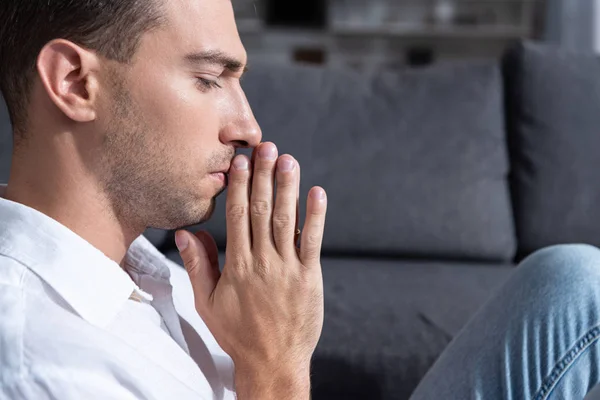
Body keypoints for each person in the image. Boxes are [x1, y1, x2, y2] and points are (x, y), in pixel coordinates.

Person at [0, 1, 599, 400]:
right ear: (77, 83)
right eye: (209, 79)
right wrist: (277, 369)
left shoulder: (143, 273)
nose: (249, 127)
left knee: (572, 283)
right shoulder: (43, 359)